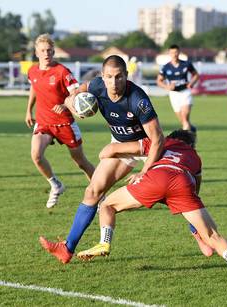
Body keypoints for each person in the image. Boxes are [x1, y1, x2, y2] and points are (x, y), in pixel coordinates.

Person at [39, 55, 213, 264]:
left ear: (126, 76)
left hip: (149, 148)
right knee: (93, 191)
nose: (114, 82)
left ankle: (198, 233)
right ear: (102, 77)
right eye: (109, 77)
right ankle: (67, 249)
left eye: (119, 77)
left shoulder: (138, 99)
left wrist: (145, 171)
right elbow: (72, 94)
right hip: (123, 147)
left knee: (180, 193)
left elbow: (157, 139)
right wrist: (74, 106)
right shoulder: (96, 86)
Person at [76, 130, 227, 280]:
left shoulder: (161, 142)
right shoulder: (195, 157)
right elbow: (196, 189)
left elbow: (111, 150)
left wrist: (106, 155)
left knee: (107, 205)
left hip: (156, 178)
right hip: (182, 183)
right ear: (191, 145)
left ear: (171, 137)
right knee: (213, 235)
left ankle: (104, 243)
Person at [25, 34, 95, 208]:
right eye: (42, 50)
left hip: (65, 123)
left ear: (54, 51)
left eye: (49, 50)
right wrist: (28, 110)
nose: (46, 53)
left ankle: (98, 193)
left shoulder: (62, 72)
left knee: (80, 162)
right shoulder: (32, 71)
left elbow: (76, 92)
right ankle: (55, 185)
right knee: (36, 154)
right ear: (36, 52)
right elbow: (34, 88)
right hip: (44, 122)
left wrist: (65, 105)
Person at [157, 44, 199, 133]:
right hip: (174, 95)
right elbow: (159, 81)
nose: (174, 54)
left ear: (179, 52)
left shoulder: (186, 64)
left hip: (185, 92)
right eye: (172, 52)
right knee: (183, 121)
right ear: (169, 53)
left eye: (176, 52)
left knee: (184, 118)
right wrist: (167, 86)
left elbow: (196, 75)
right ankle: (191, 128)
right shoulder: (165, 67)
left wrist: (191, 83)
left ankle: (187, 141)